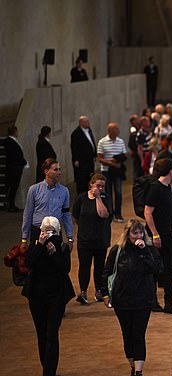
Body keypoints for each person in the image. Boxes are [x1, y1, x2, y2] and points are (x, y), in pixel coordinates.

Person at [101, 219, 162, 376]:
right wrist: (105, 294)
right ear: (127, 234)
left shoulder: (149, 249)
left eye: (141, 232)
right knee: (127, 336)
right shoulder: (117, 251)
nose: (138, 236)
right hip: (122, 300)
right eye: (135, 233)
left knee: (138, 334)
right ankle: (133, 367)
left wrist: (144, 252)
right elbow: (106, 273)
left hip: (143, 300)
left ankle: (138, 372)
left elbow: (156, 269)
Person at [22, 216, 74, 376]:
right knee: (41, 333)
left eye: (51, 230)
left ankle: (49, 373)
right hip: (36, 296)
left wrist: (54, 254)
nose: (48, 234)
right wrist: (39, 246)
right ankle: (46, 364)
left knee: (52, 332)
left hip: (56, 295)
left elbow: (65, 268)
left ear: (57, 232)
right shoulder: (35, 245)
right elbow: (28, 263)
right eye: (45, 230)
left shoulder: (62, 247)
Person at [144, 158, 172, 315]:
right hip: (158, 235)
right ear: (170, 171)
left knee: (170, 267)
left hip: (169, 233)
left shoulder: (168, 187)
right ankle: (153, 301)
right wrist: (155, 234)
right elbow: (148, 212)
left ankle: (168, 303)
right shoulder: (155, 188)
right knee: (155, 268)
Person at [72, 174, 112, 304]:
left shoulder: (106, 198)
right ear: (91, 185)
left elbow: (104, 214)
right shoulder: (81, 198)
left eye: (102, 186)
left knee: (99, 266)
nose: (100, 188)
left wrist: (98, 198)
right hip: (85, 240)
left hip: (100, 239)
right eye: (98, 186)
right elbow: (76, 215)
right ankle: (83, 292)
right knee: (84, 266)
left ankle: (99, 291)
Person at [21, 158, 73, 251]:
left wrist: (70, 238)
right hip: (38, 232)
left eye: (59, 169)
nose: (59, 172)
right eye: (55, 169)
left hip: (55, 233)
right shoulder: (34, 190)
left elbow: (66, 214)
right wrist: (24, 239)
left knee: (56, 263)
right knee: (37, 262)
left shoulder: (64, 191)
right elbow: (27, 214)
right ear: (46, 171)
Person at [97, 123, 127, 222]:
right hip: (106, 172)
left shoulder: (120, 141)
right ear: (110, 131)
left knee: (118, 192)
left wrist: (118, 160)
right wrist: (112, 163)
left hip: (117, 171)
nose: (118, 131)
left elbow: (124, 155)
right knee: (107, 192)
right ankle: (109, 213)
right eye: (116, 129)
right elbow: (100, 158)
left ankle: (118, 214)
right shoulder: (102, 142)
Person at [3, 126, 28, 212]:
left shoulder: (9, 141)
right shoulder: (10, 142)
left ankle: (11, 204)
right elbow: (16, 155)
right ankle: (11, 206)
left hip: (13, 167)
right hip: (14, 168)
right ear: (14, 132)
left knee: (13, 187)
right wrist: (24, 162)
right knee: (13, 187)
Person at [70, 116, 97, 195]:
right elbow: (74, 147)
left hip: (89, 159)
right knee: (82, 179)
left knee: (90, 177)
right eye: (86, 122)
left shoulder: (89, 131)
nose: (89, 123)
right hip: (81, 161)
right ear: (81, 123)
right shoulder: (76, 133)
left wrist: (94, 154)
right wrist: (76, 159)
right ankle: (82, 195)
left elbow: (92, 143)